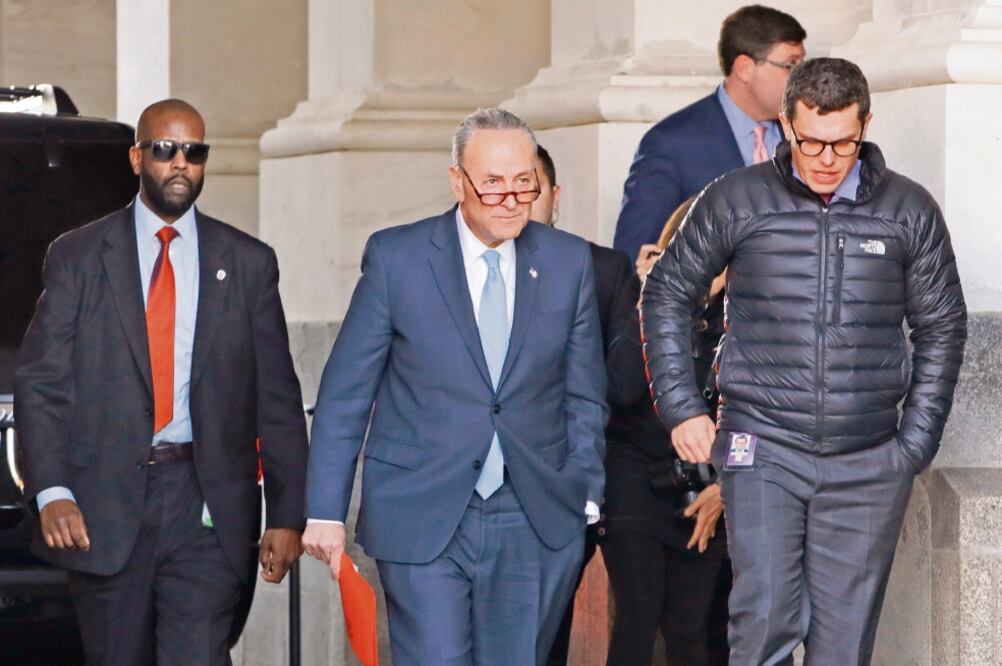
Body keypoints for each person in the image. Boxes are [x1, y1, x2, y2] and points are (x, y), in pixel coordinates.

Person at [641, 58, 967, 665]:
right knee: (764, 620)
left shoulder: (908, 210)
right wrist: (683, 408)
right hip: (761, 446)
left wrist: (911, 447)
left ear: (866, 125)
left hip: (870, 456)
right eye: (810, 140)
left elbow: (942, 326)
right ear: (786, 126)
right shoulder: (736, 198)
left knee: (843, 646)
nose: (825, 157)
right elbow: (666, 291)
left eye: (843, 141)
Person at [302, 108, 608, 666]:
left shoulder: (568, 263)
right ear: (457, 181)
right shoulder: (398, 257)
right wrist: (324, 508)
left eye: (524, 182)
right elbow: (346, 392)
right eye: (492, 184)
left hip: (533, 513)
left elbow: (583, 393)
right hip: (422, 509)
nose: (511, 198)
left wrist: (585, 491)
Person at [14, 99, 309, 665]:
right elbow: (43, 384)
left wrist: (288, 513)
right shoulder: (77, 257)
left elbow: (276, 396)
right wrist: (51, 490)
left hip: (206, 506)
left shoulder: (248, 263)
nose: (180, 163)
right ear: (136, 157)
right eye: (166, 149)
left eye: (194, 153)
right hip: (102, 506)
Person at [599, 198, 730, 665]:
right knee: (639, 611)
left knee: (688, 624)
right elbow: (621, 387)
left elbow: (757, 410)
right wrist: (648, 300)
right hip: (633, 472)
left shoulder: (746, 315)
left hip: (707, 484)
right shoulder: (641, 298)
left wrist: (723, 487)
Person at [531, 145, 633, 666]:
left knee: (549, 633)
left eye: (532, 188)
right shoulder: (458, 272)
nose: (517, 202)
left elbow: (622, 382)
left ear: (555, 196)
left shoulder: (603, 269)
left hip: (580, 477)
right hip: (485, 483)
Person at [613, 4, 806, 262]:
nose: (804, 79)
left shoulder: (805, 135)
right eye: (791, 66)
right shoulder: (671, 144)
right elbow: (635, 258)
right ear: (744, 68)